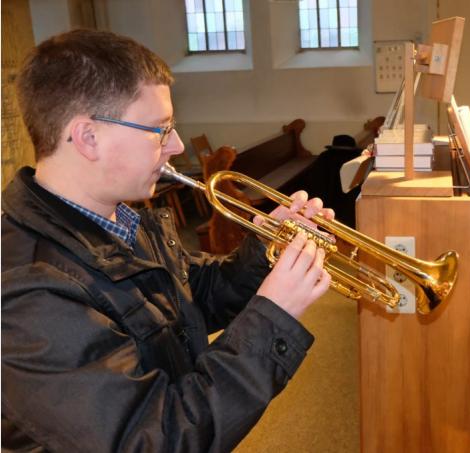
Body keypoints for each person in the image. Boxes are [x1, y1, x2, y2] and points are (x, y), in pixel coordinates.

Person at [2, 29, 335, 452]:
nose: (176, 145)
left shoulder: (122, 218)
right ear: (88, 137)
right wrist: (274, 316)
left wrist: (268, 251)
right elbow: (157, 439)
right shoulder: (26, 292)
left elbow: (192, 297)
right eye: (160, 129)